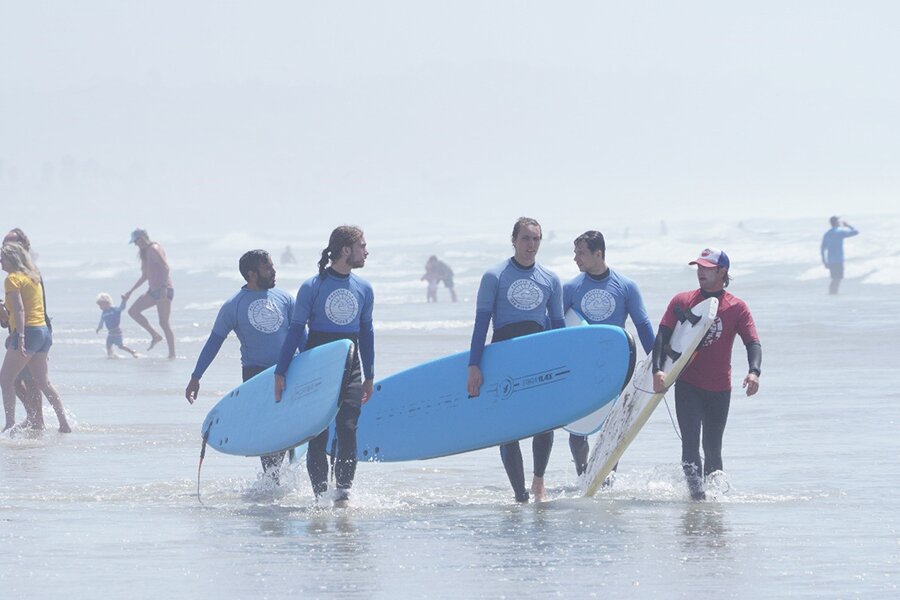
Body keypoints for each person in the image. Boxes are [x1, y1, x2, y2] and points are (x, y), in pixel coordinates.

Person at [274, 226, 374, 508]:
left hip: (351, 366)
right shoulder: (312, 287)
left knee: (348, 428)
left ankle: (342, 497)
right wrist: (281, 371)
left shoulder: (364, 288)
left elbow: (366, 334)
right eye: (362, 246)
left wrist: (370, 375)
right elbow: (295, 332)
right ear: (346, 250)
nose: (367, 251)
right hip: (316, 364)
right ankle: (320, 498)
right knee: (318, 433)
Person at [467, 217, 564, 503]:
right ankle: (518, 492)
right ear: (513, 240)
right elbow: (481, 324)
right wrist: (475, 364)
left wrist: (564, 367)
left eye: (536, 239)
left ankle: (538, 482)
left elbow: (559, 329)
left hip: (539, 357)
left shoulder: (551, 279)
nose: (531, 245)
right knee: (509, 428)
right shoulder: (494, 276)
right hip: (503, 357)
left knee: (544, 423)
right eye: (525, 238)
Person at [651, 248, 761, 500]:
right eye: (698, 267)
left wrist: (754, 372)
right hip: (688, 385)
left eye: (706, 268)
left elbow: (752, 342)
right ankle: (696, 499)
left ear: (722, 271)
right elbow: (662, 336)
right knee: (690, 444)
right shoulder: (682, 301)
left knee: (713, 448)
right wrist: (658, 369)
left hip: (720, 388)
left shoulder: (737, 307)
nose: (700, 272)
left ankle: (714, 501)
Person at [185, 250, 294, 478]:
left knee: (288, 425)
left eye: (272, 266)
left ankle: (278, 476)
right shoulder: (233, 306)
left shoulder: (285, 299)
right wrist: (196, 376)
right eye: (267, 268)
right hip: (257, 374)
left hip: (289, 368)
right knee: (268, 429)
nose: (274, 271)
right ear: (252, 274)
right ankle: (272, 480)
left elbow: (300, 336)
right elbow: (214, 342)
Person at [563, 230, 655, 479]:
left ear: (598, 253)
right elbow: (555, 330)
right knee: (578, 428)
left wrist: (658, 364)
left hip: (617, 365)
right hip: (581, 366)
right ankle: (584, 476)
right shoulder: (570, 288)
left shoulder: (625, 286)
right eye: (575, 253)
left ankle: (605, 478)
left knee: (613, 426)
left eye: (580, 253)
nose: (576, 259)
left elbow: (643, 325)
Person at [0, 242, 71, 433]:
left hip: (28, 332)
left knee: (5, 378)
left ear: (12, 259)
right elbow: (18, 312)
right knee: (43, 382)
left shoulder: (12, 279)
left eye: (2, 258)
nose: (0, 262)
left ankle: (9, 424)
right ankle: (64, 424)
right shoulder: (33, 277)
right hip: (42, 332)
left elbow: (20, 309)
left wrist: (21, 337)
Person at [3, 228, 49, 429]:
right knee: (18, 378)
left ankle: (35, 419)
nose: (7, 247)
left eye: (12, 243)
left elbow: (36, 306)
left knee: (29, 380)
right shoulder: (16, 272)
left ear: (23, 246)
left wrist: (29, 336)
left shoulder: (29, 272)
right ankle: (34, 417)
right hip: (24, 330)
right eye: (5, 242)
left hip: (32, 329)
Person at [123, 228, 176, 358]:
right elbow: (145, 276)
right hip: (153, 291)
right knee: (133, 311)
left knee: (164, 323)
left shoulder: (154, 248)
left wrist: (163, 287)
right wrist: (130, 291)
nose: (136, 245)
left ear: (142, 238)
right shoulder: (146, 253)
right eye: (135, 243)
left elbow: (165, 267)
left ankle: (172, 355)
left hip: (164, 290)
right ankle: (155, 335)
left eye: (136, 241)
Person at [821, 216, 859, 295]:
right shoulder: (839, 232)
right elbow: (856, 232)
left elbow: (822, 249)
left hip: (831, 260)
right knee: (837, 279)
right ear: (836, 223)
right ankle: (833, 293)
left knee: (835, 278)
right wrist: (848, 225)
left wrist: (824, 261)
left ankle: (832, 293)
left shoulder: (827, 234)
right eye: (838, 221)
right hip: (838, 259)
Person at [96, 293, 138, 358]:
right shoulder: (104, 312)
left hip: (117, 332)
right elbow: (102, 320)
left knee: (120, 346)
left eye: (101, 305)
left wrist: (124, 301)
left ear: (107, 303)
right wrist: (99, 327)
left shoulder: (115, 309)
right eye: (99, 306)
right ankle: (111, 356)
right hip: (110, 333)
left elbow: (122, 307)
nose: (100, 307)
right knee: (108, 346)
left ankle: (132, 352)